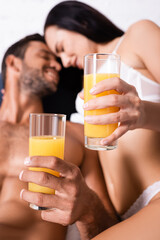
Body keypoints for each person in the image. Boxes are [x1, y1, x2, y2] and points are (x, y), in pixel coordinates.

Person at [19, 1, 160, 240]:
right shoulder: (82, 95)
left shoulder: (138, 35)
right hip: (126, 218)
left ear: (80, 22)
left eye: (62, 47)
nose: (64, 61)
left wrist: (144, 113)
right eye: (58, 56)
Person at [0, 33, 113, 240]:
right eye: (45, 56)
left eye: (59, 60)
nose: (58, 65)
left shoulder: (75, 136)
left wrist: (88, 207)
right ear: (13, 63)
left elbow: (109, 230)